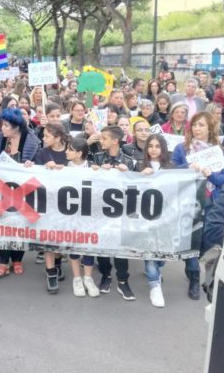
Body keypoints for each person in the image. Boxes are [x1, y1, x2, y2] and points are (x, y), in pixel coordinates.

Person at [171, 111, 224, 300]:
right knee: (191, 240)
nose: (197, 129)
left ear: (210, 128)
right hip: (188, 201)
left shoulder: (220, 151)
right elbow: (170, 171)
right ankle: (195, 278)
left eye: (201, 125)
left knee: (209, 241)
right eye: (194, 125)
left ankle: (198, 266)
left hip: (212, 201)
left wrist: (209, 174)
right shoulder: (182, 149)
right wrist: (186, 168)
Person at [0, 108, 41, 276]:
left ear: (16, 127)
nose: (2, 128)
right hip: (3, 188)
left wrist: (31, 164)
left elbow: (38, 163)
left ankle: (17, 259)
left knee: (20, 226)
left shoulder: (32, 141)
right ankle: (3, 262)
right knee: (3, 226)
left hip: (24, 190)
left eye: (5, 125)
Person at [91, 126, 135, 300]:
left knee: (120, 246)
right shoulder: (97, 157)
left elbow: (138, 186)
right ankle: (106, 275)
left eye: (104, 138)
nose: (101, 141)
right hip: (101, 209)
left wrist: (128, 172)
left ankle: (123, 280)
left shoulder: (129, 160)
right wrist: (96, 170)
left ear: (115, 141)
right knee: (103, 244)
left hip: (122, 211)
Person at [25, 123, 69, 294]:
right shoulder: (42, 152)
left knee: (60, 238)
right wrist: (30, 165)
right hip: (46, 202)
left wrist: (63, 169)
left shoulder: (69, 151)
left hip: (65, 203)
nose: (43, 139)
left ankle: (57, 262)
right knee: (49, 238)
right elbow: (32, 172)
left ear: (57, 138)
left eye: (47, 136)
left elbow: (80, 169)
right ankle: (50, 273)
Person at [136, 133, 176, 308]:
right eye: (150, 146)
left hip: (166, 218)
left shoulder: (171, 167)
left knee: (161, 255)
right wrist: (140, 176)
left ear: (163, 149)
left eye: (157, 146)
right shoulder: (139, 165)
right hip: (145, 218)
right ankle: (155, 287)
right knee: (150, 253)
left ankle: (156, 270)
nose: (153, 149)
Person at [64, 137, 100, 298]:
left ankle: (88, 278)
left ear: (79, 153)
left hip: (89, 214)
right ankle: (77, 279)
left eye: (70, 149)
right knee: (73, 246)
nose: (66, 151)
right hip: (71, 214)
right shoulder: (63, 168)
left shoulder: (93, 167)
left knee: (88, 246)